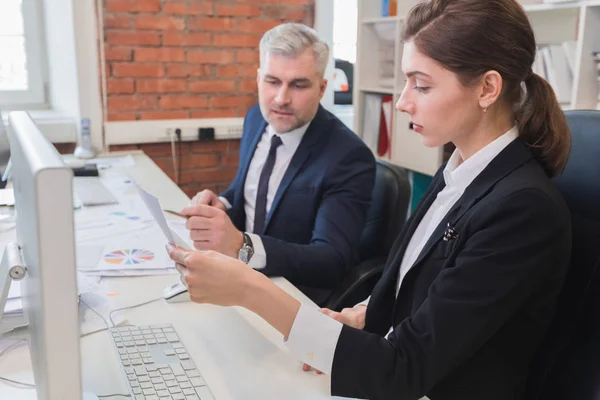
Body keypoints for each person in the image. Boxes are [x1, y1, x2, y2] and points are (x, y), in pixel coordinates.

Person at [167, 0, 573, 398]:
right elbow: (424, 289)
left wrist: (250, 290)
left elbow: (405, 369)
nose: (402, 101)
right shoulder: (459, 167)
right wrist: (366, 313)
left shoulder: (522, 209)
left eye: (422, 84)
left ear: (487, 88)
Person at [180, 23, 376, 305]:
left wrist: (242, 245)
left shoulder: (348, 157)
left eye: (298, 85)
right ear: (258, 79)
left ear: (321, 88)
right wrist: (222, 203)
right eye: (272, 82)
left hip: (291, 294)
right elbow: (246, 189)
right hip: (239, 275)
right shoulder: (256, 119)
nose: (282, 99)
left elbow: (331, 260)